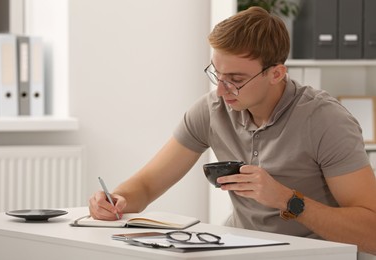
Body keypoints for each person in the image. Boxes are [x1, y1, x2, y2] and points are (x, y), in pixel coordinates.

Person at [89, 6, 376, 255]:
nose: (221, 89)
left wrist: (287, 200)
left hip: (320, 255)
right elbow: (148, 185)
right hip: (242, 249)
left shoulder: (325, 120)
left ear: (276, 73)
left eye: (236, 79)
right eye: (217, 73)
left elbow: (371, 232)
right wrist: (116, 200)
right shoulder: (213, 109)